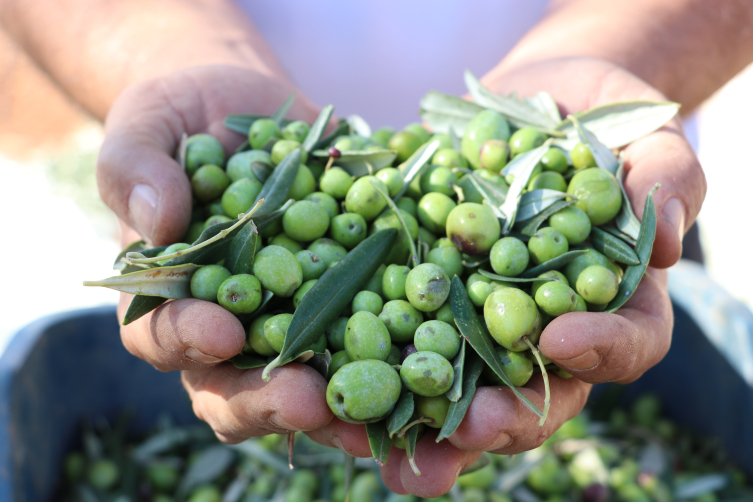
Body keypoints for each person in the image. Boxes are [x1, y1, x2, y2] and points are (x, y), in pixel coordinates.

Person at [1, 0, 748, 497]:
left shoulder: (527, 236)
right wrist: (160, 60)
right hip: (256, 121)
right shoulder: (266, 221)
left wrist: (618, 53)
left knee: (581, 340)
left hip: (556, 130)